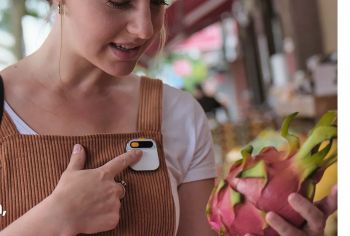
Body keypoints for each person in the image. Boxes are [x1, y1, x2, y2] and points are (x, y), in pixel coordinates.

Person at [0, 1, 336, 236]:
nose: (144, 27)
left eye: (159, 1)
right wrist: (55, 219)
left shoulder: (178, 114)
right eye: (119, 1)